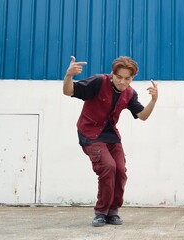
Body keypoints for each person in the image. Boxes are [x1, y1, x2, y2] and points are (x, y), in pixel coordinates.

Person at [63, 56, 158, 226]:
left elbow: (142, 116)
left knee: (120, 170)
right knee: (108, 166)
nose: (122, 82)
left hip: (111, 135)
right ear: (112, 74)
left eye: (127, 78)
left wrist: (153, 100)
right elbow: (68, 91)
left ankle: (112, 211)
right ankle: (100, 212)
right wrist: (69, 75)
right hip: (90, 133)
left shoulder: (129, 93)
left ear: (132, 78)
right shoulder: (98, 82)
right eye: (119, 77)